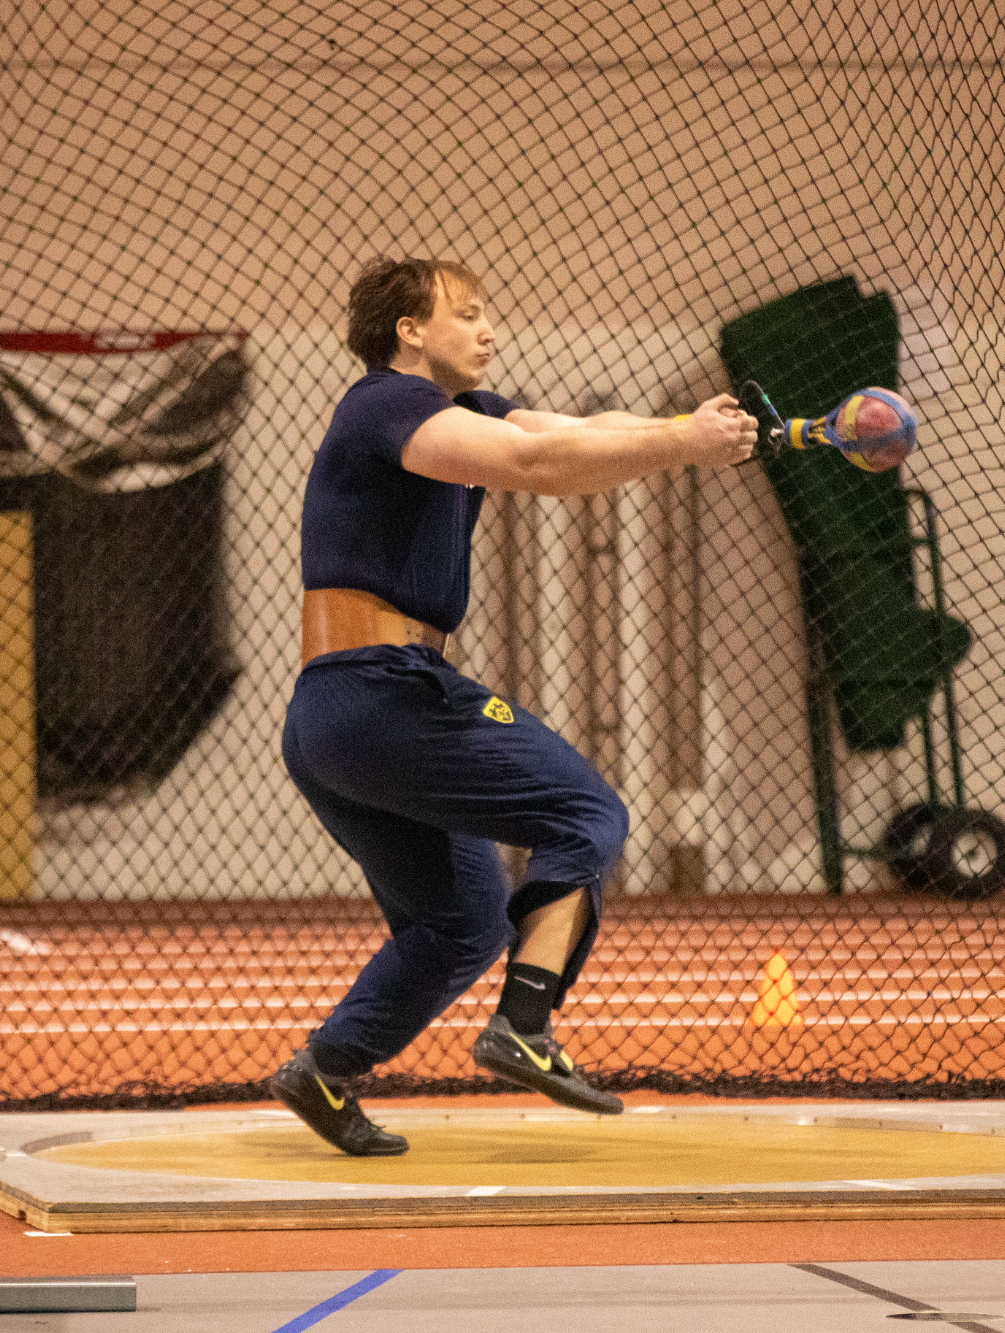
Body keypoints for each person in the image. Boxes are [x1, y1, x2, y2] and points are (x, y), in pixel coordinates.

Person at [270, 257, 755, 1155]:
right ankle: (527, 1025)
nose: (490, 329)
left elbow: (572, 432)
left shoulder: (459, 415)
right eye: (470, 313)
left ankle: (326, 1069)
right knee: (587, 812)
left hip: (336, 714)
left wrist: (689, 426)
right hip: (383, 692)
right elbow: (535, 462)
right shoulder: (382, 403)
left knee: (463, 922)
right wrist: (682, 442)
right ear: (410, 330)